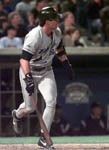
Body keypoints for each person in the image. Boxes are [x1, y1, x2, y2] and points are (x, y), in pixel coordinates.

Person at [12, 7, 74, 150]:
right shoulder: (35, 35)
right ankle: (17, 115)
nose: (58, 20)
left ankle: (43, 138)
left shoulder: (57, 32)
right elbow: (24, 59)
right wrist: (28, 78)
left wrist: (67, 65)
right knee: (30, 108)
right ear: (47, 21)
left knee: (51, 102)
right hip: (30, 70)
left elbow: (60, 50)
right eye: (55, 18)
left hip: (46, 71)